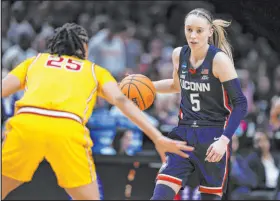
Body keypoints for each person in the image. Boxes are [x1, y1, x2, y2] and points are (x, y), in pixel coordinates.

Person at [1, 23, 194, 200]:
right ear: (83, 47)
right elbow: (121, 100)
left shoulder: (34, 62)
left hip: (26, 124)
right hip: (66, 128)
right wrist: (157, 136)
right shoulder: (94, 70)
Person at [150, 8, 248, 200]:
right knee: (159, 196)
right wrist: (146, 85)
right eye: (189, 30)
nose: (193, 36)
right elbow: (175, 86)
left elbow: (241, 104)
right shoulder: (179, 54)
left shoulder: (219, 60)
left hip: (213, 136)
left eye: (199, 31)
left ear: (210, 31)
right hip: (184, 134)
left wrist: (224, 140)